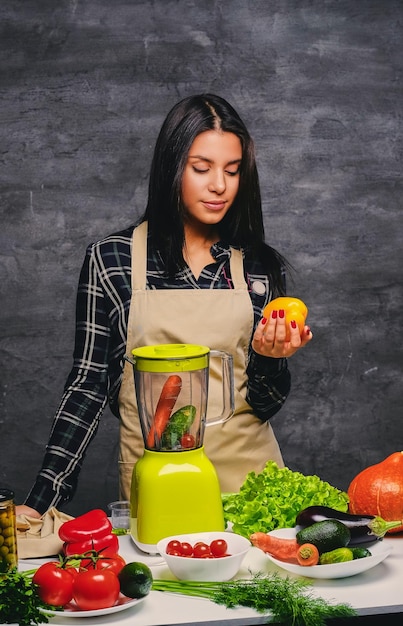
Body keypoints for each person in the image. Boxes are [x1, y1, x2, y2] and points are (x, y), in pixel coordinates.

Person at [17, 94, 312, 519]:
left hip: (250, 490)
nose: (219, 186)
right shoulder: (112, 260)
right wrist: (41, 502)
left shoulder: (256, 266)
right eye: (201, 169)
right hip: (158, 490)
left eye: (232, 171)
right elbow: (88, 386)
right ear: (172, 167)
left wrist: (270, 359)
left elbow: (264, 404)